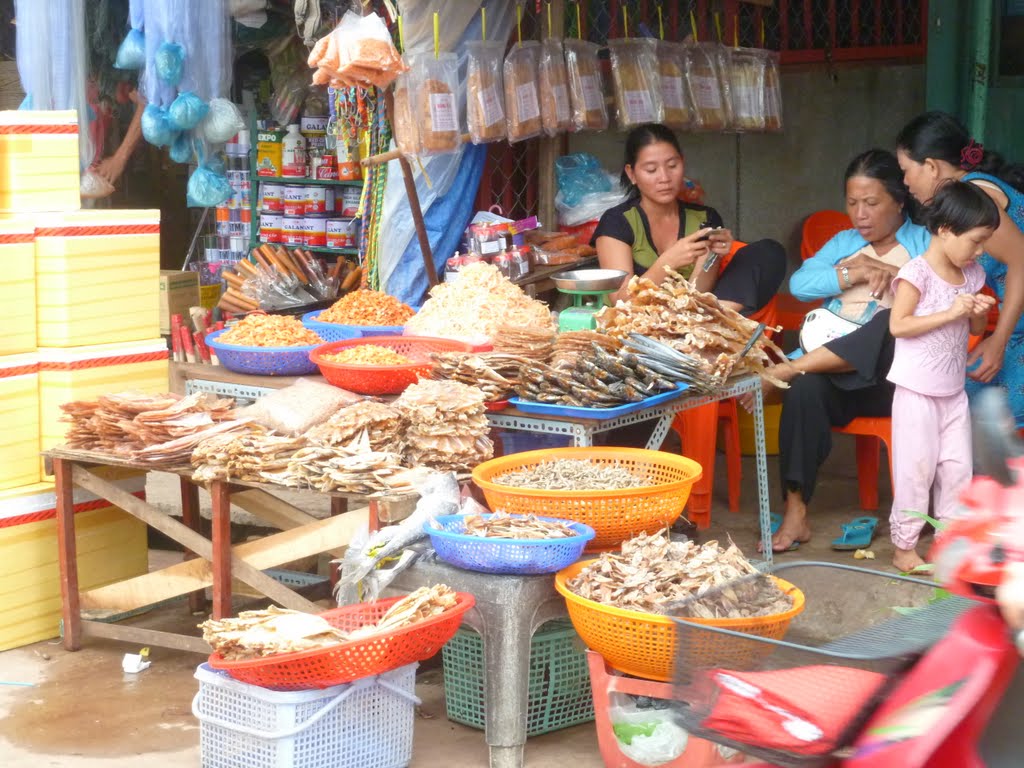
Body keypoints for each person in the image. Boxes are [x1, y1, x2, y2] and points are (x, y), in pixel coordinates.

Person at [755, 149, 931, 552]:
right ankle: (796, 511)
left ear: (899, 200)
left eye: (872, 203)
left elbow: (940, 294)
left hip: (893, 378)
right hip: (838, 376)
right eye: (852, 203)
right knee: (805, 391)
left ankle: (787, 368)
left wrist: (902, 279)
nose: (860, 215)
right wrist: (856, 271)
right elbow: (800, 284)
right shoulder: (845, 243)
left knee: (885, 323)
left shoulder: (923, 243)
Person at [887, 182, 998, 571]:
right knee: (916, 469)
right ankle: (904, 546)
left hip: (953, 392)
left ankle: (947, 544)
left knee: (956, 469)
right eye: (977, 240)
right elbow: (898, 326)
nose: (981, 250)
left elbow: (973, 331)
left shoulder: (972, 272)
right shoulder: (915, 273)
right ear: (946, 230)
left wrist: (978, 310)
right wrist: (952, 312)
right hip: (916, 391)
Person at [896, 110, 1024, 426]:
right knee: (959, 400)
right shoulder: (963, 198)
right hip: (1017, 331)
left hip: (1015, 334)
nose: (904, 182)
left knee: (972, 416)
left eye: (906, 170)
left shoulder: (976, 196)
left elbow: (1022, 261)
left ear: (931, 167)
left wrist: (998, 341)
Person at [593, 123, 786, 314]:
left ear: (683, 163)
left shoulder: (705, 218)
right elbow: (621, 302)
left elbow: (699, 293)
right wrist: (667, 262)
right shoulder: (617, 222)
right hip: (635, 325)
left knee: (769, 251)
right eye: (651, 170)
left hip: (690, 316)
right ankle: (712, 321)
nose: (664, 177)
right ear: (631, 173)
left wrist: (711, 255)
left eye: (672, 166)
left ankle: (714, 319)